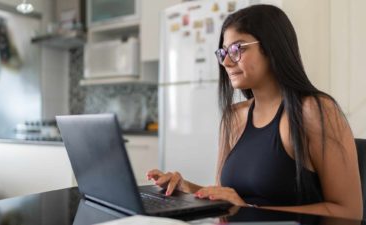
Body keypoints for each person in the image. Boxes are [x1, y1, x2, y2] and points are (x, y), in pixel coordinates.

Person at [147, 4, 363, 220]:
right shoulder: (233, 117)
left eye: (237, 49)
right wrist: (186, 189)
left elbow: (349, 214)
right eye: (223, 52)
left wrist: (249, 209)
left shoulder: (315, 111)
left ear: (272, 47)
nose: (226, 61)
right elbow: (225, 200)